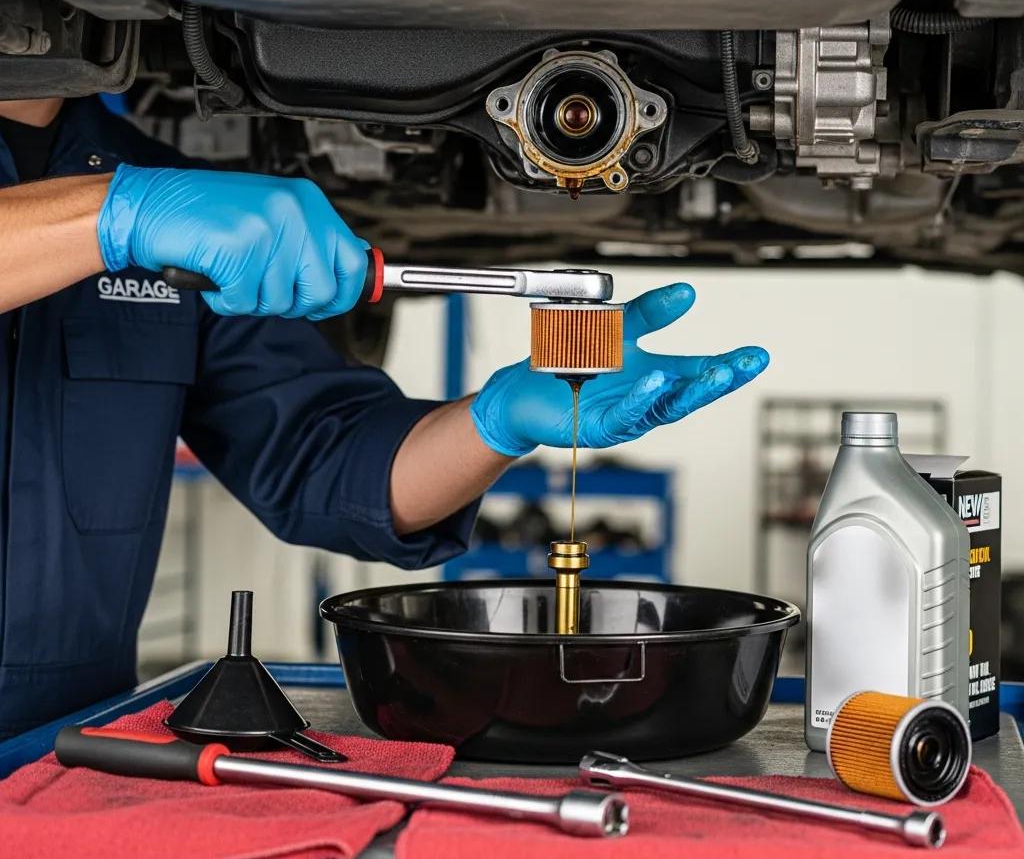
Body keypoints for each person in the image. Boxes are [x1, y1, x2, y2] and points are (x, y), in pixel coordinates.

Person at [0, 94, 769, 737]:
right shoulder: (162, 203)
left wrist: (495, 422)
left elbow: (324, 463)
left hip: (67, 743)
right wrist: (116, 216)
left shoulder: (170, 191)